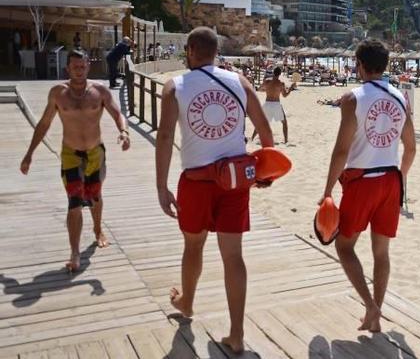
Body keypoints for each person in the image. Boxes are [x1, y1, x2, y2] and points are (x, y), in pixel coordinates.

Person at [155, 27, 274, 354]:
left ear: (191, 50)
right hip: (235, 182)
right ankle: (236, 333)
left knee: (193, 247)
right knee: (233, 256)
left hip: (195, 182)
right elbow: (265, 131)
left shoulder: (175, 86)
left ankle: (188, 303)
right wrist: (266, 171)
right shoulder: (240, 82)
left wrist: (161, 186)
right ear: (216, 51)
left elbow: (165, 137)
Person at [321, 39, 416, 333]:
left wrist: (326, 191)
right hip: (391, 180)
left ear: (359, 64)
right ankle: (375, 315)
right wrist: (401, 178)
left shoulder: (353, 98)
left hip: (362, 180)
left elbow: (341, 150)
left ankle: (370, 307)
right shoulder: (401, 97)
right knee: (381, 252)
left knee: (344, 246)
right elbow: (411, 148)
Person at [20, 50, 131, 272]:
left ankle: (98, 229)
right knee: (74, 201)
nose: (79, 70)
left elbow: (118, 113)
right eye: (75, 67)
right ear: (67, 69)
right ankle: (75, 252)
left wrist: (124, 131)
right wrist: (29, 153)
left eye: (83, 66)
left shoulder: (99, 91)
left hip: (95, 153)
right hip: (70, 153)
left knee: (95, 195)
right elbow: (43, 124)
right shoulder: (58, 93)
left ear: (88, 66)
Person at [251, 67, 293, 144]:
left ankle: (252, 138)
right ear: (280, 74)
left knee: (261, 123)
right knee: (284, 123)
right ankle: (286, 140)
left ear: (273, 72)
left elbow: (260, 89)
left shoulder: (267, 81)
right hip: (276, 104)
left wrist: (267, 90)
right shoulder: (281, 83)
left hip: (268, 103)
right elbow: (285, 95)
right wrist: (290, 89)